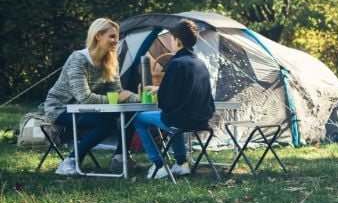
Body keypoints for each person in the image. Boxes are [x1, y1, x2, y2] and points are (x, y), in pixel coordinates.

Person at [42, 18, 139, 176]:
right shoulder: (78, 59)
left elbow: (118, 92)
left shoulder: (110, 61)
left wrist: (139, 97)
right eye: (112, 36)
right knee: (107, 124)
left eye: (117, 37)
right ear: (98, 36)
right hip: (60, 109)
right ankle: (70, 162)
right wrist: (119, 98)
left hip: (88, 108)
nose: (116, 41)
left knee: (131, 114)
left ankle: (119, 160)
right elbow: (85, 98)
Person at [133, 19, 215, 180]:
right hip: (202, 120)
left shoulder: (176, 63)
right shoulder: (200, 63)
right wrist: (161, 88)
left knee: (138, 119)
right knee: (175, 119)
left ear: (177, 40)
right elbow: (188, 92)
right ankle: (182, 164)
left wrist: (161, 92)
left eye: (171, 38)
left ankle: (158, 164)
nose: (170, 42)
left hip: (180, 120)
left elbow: (166, 103)